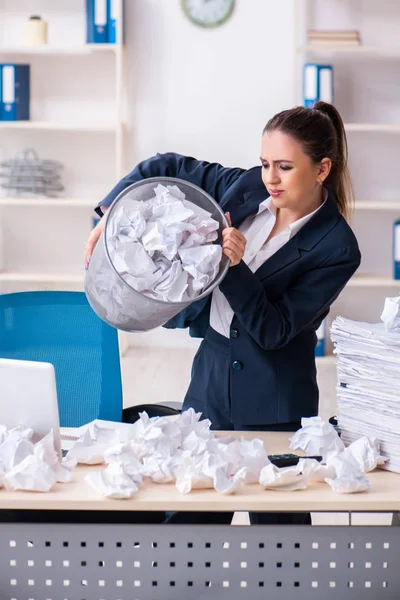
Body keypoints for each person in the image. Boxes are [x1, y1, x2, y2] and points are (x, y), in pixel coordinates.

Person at [84, 101, 361, 525]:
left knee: (283, 550)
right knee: (186, 532)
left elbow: (276, 330)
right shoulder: (248, 187)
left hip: (275, 408)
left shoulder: (337, 248)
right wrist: (110, 212)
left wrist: (234, 268)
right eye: (265, 163)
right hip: (209, 387)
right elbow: (167, 164)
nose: (270, 177)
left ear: (322, 169)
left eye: (285, 167)